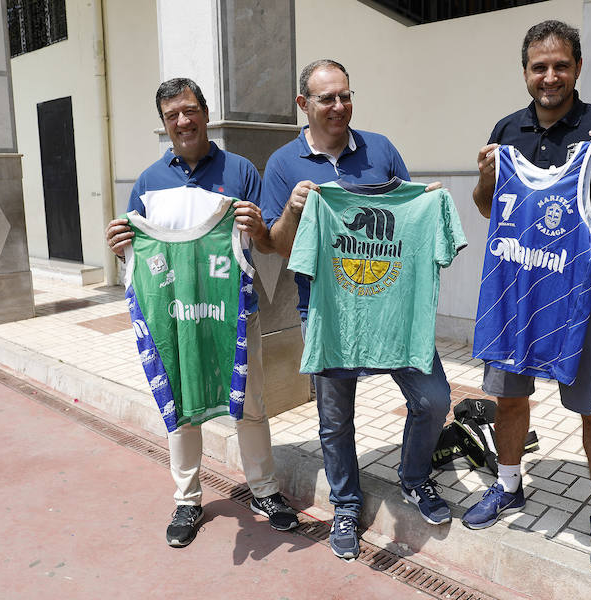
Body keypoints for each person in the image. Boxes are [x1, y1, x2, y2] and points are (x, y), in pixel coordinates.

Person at [462, 21, 591, 576]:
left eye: (560, 65)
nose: (549, 76)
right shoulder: (507, 130)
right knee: (508, 399)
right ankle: (508, 486)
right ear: (525, 71)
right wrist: (483, 179)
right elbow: (487, 207)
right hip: (516, 293)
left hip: (584, 298)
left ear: (577, 67)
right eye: (538, 66)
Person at [261, 59, 452, 560]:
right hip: (327, 310)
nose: (340, 106)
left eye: (346, 95)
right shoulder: (283, 165)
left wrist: (427, 202)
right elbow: (279, 247)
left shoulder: (380, 148)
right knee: (334, 417)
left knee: (433, 398)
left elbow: (410, 209)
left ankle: (414, 478)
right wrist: (294, 210)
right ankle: (346, 504)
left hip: (392, 307)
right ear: (303, 105)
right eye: (327, 98)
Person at [104, 78, 298, 548]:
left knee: (250, 403)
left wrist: (259, 228)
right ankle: (188, 499)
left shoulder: (241, 170)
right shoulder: (148, 184)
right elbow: (137, 257)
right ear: (164, 123)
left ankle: (264, 491)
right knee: (182, 404)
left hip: (233, 310)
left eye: (190, 110)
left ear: (206, 113)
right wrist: (119, 248)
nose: (183, 121)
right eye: (173, 115)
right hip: (174, 316)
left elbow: (270, 241)